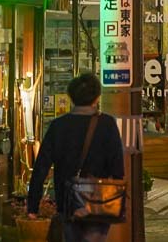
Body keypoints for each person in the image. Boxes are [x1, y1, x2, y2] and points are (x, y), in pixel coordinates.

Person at [26, 72, 125, 242]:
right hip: (98, 202)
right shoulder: (107, 124)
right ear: (97, 97)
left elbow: (41, 166)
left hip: (68, 201)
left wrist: (33, 205)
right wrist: (115, 198)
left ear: (71, 97)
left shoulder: (58, 126)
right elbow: (118, 168)